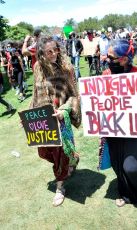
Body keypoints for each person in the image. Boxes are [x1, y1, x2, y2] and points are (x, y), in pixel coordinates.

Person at [29, 35, 81, 206]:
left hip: (60, 118)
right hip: (43, 120)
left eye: (55, 50)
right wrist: (29, 116)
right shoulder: (37, 67)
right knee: (44, 152)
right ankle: (71, 159)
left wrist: (64, 110)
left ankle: (60, 187)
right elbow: (35, 94)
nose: (53, 54)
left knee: (60, 154)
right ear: (41, 53)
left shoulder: (66, 68)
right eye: (48, 51)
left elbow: (74, 95)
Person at [99, 39, 137, 207]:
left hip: (134, 130)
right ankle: (125, 192)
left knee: (132, 166)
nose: (107, 59)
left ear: (124, 59)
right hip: (114, 129)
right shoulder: (106, 75)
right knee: (118, 163)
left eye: (111, 57)